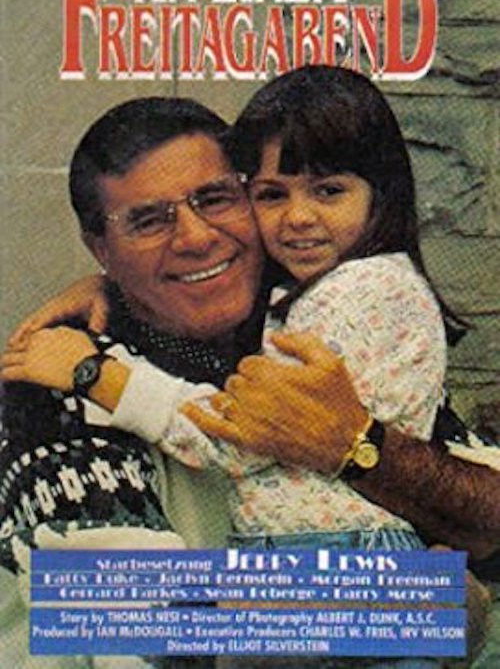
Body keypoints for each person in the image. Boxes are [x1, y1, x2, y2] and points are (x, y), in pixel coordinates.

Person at [1, 93, 497, 666]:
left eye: (215, 199)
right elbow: (132, 624)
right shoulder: (57, 379)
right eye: (148, 221)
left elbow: (488, 516)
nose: (195, 238)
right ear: (100, 248)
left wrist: (359, 446)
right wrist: (419, 602)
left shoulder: (315, 327)